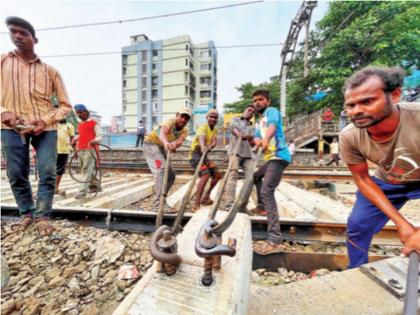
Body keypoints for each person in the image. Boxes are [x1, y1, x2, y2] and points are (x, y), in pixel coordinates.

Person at [339, 66, 420, 268]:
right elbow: (363, 179)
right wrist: (403, 225)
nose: (357, 110)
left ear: (394, 95)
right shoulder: (350, 136)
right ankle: (356, 271)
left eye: (367, 101)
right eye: (351, 105)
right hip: (388, 182)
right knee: (357, 226)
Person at [1, 17, 71, 236]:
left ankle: (42, 215)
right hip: (11, 127)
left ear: (34, 39)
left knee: (48, 171)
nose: (18, 36)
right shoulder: (2, 62)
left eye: (24, 33)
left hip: (45, 128)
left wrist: (46, 120)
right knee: (15, 172)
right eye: (13, 32)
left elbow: (65, 105)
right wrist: (4, 112)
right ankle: (27, 213)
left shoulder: (50, 71)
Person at [252, 89, 291, 252]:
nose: (257, 103)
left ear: (267, 101)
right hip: (270, 159)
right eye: (255, 100)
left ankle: (275, 238)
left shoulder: (271, 112)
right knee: (255, 177)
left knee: (267, 191)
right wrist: (258, 141)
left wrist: (266, 140)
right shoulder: (258, 121)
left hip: (279, 156)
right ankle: (262, 207)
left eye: (260, 99)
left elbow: (273, 126)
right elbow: (256, 137)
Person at [143, 108, 191, 212]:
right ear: (177, 115)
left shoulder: (185, 130)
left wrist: (175, 144)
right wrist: (166, 143)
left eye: (186, 118)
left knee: (171, 175)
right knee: (162, 169)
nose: (183, 120)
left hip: (161, 148)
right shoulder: (170, 121)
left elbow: (180, 140)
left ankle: (162, 200)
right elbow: (162, 134)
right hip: (151, 144)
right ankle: (158, 205)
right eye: (182, 116)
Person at [189, 109, 222, 211]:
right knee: (206, 174)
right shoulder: (203, 127)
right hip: (195, 155)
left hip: (204, 156)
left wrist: (211, 145)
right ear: (207, 117)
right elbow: (201, 136)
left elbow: (214, 141)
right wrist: (203, 145)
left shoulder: (214, 130)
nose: (213, 118)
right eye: (211, 116)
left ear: (217, 119)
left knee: (217, 174)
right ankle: (196, 204)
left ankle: (206, 197)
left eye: (215, 117)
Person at [224, 105, 255, 211]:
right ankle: (229, 204)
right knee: (233, 175)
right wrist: (240, 134)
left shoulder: (252, 126)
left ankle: (242, 205)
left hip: (247, 154)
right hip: (234, 152)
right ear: (244, 110)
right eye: (249, 110)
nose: (250, 112)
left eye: (252, 112)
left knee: (250, 179)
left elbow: (252, 141)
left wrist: (249, 137)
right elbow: (234, 129)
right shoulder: (235, 119)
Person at [73, 104, 102, 199]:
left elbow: (100, 136)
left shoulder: (94, 123)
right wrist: (76, 138)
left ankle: (82, 192)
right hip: (81, 149)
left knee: (86, 170)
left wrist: (95, 140)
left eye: (80, 113)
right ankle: (96, 185)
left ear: (86, 112)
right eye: (77, 113)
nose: (79, 115)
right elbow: (81, 135)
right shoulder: (81, 124)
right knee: (85, 169)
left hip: (90, 149)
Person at [55, 119, 75, 195]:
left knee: (60, 170)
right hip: (51, 150)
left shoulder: (70, 126)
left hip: (64, 150)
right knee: (49, 169)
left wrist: (72, 145)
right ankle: (48, 188)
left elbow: (72, 137)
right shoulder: (52, 124)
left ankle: (56, 188)